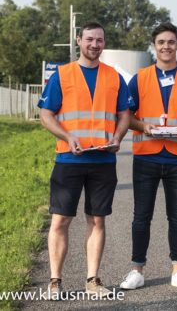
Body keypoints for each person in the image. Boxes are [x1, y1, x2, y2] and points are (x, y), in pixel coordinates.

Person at [38, 22, 131, 299]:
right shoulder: (62, 75)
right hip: (69, 159)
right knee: (60, 220)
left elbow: (125, 114)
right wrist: (68, 137)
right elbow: (46, 115)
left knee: (97, 221)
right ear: (79, 40)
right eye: (89, 39)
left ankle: (93, 280)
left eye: (99, 40)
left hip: (103, 161)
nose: (94, 44)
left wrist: (117, 137)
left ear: (104, 43)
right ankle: (55, 282)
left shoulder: (114, 76)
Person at [119, 22, 177, 291]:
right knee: (141, 216)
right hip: (146, 155)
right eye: (161, 42)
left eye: (171, 42)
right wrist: (143, 126)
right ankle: (137, 269)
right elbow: (127, 116)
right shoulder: (139, 78)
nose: (166, 46)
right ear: (154, 46)